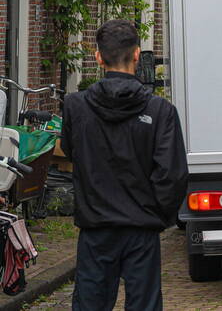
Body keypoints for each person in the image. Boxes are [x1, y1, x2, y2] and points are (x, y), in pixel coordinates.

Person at [62, 19, 187, 311]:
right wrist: (157, 215)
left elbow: (71, 152)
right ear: (136, 55)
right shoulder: (161, 111)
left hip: (96, 229)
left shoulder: (75, 106)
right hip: (141, 228)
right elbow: (173, 174)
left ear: (97, 57)